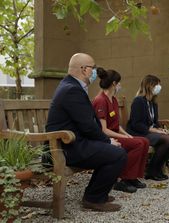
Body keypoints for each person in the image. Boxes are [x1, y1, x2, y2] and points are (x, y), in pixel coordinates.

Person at [46, 53, 127, 212]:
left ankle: (97, 194)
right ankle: (93, 198)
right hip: (64, 147)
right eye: (93, 67)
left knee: (112, 152)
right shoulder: (71, 89)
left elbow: (88, 123)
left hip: (73, 142)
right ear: (83, 69)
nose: (95, 71)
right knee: (118, 154)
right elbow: (88, 125)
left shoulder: (72, 86)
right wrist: (106, 141)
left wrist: (104, 141)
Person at [92, 68, 150, 193]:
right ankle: (123, 179)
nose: (120, 85)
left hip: (116, 135)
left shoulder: (112, 100)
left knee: (144, 141)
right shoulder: (100, 100)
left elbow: (116, 125)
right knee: (138, 144)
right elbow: (104, 130)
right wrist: (125, 138)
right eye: (119, 83)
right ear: (114, 83)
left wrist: (128, 135)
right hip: (107, 139)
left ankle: (133, 177)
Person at [126, 75, 169, 181]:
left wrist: (160, 129)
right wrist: (152, 130)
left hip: (150, 132)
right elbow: (136, 123)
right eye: (157, 84)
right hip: (139, 132)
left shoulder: (153, 103)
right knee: (167, 139)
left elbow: (154, 122)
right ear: (150, 86)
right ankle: (152, 171)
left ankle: (157, 169)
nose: (159, 87)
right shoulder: (139, 101)